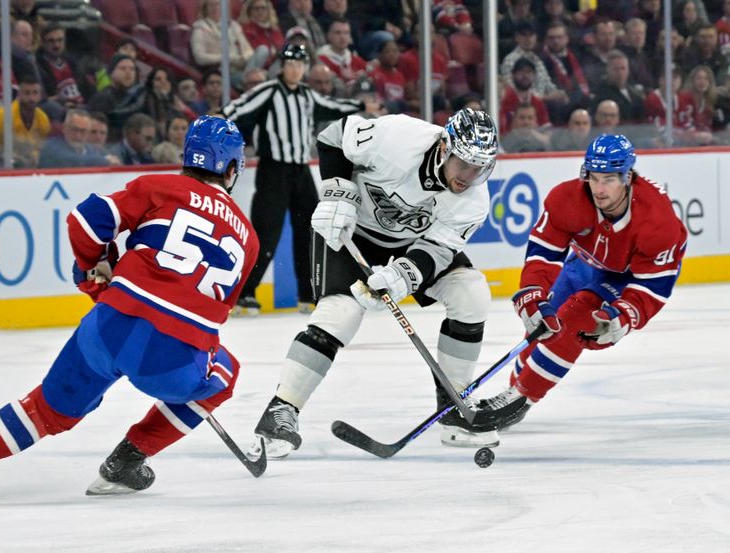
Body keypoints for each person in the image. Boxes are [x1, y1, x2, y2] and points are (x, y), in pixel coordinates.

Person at [0, 116, 260, 500]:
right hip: (171, 354)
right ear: (232, 167)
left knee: (48, 409)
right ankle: (128, 461)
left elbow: (86, 220)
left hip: (107, 327)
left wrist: (93, 267)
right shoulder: (248, 237)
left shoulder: (157, 186)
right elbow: (211, 311)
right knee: (225, 371)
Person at [248, 108, 499, 458]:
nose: (470, 176)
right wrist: (339, 192)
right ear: (445, 148)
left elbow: (438, 249)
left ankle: (453, 407)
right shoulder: (398, 137)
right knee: (341, 313)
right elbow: (332, 138)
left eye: (480, 167)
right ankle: (281, 411)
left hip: (412, 244)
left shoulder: (474, 199)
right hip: (350, 229)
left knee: (471, 292)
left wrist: (403, 276)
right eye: (465, 163)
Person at [462, 135, 687, 442]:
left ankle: (520, 399)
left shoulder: (659, 224)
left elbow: (652, 285)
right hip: (584, 263)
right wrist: (533, 293)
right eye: (593, 177)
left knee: (577, 319)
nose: (599, 189)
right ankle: (517, 387)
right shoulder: (568, 200)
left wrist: (625, 316)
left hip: (626, 277)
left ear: (627, 176)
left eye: (608, 179)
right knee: (545, 326)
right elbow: (543, 254)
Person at [221, 43, 376, 314]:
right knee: (266, 232)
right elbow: (237, 108)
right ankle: (245, 293)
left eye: (300, 64)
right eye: (291, 63)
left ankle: (309, 293)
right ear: (282, 66)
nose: (295, 69)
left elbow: (332, 106)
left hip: (301, 170)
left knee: (310, 232)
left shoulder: (306, 95)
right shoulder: (268, 91)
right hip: (274, 170)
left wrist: (362, 105)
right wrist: (218, 122)